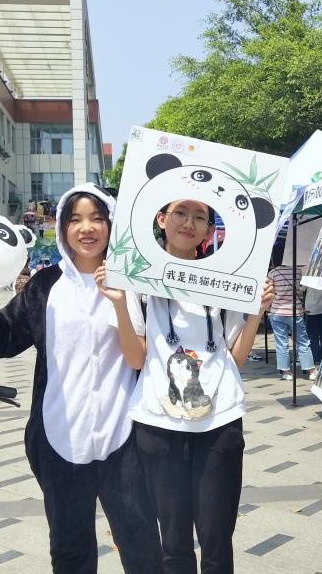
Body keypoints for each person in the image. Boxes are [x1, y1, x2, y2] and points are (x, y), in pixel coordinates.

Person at [0, 185, 163, 574]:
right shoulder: (45, 285)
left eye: (97, 218)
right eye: (75, 219)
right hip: (60, 435)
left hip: (125, 437)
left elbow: (160, 348)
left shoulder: (135, 283)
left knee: (142, 542)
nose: (87, 228)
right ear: (63, 228)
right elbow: (4, 340)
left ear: (111, 225)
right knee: (69, 549)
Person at [96, 198, 274, 574]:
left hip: (220, 422)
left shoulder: (225, 280)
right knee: (174, 543)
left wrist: (256, 313)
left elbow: (236, 357)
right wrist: (118, 304)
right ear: (161, 219)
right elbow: (136, 359)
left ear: (209, 230)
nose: (188, 222)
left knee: (216, 539)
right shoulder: (137, 280)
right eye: (180, 213)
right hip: (158, 426)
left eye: (200, 217)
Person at [267, 264, 317, 381]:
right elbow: (300, 289)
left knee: (281, 343)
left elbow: (270, 292)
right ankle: (311, 371)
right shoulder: (297, 271)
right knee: (302, 341)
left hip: (277, 311)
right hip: (295, 311)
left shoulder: (273, 273)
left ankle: (287, 372)